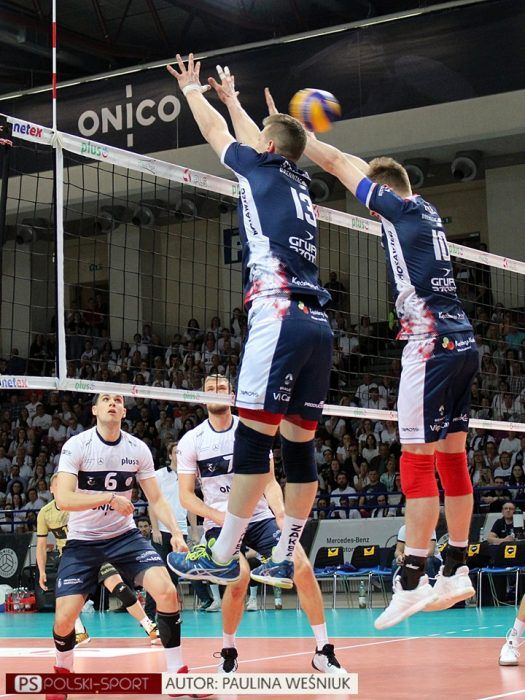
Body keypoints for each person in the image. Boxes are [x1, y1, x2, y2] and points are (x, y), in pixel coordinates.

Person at [295, 109, 479, 629]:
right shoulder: (425, 209)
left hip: (429, 344)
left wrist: (297, 134)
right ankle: (457, 568)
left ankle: (412, 579)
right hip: (463, 341)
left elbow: (336, 163)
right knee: (452, 458)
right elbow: (355, 164)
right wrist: (356, 163)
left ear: (383, 195)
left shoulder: (395, 210)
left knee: (416, 460)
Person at [166, 56, 333, 588]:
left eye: (260, 137)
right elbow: (259, 138)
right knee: (299, 447)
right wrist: (235, 99)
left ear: (267, 146)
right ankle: (285, 553)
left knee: (254, 440)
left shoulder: (260, 167)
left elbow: (218, 135)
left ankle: (221, 553)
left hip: (278, 313)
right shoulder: (298, 178)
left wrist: (194, 92)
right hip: (317, 324)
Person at [173, 374, 346, 675]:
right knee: (238, 578)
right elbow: (186, 497)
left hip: (259, 517)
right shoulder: (192, 440)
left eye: (222, 388)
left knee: (301, 566)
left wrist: (281, 513)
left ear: (232, 395)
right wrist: (218, 516)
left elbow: (268, 480)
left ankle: (323, 650)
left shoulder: (250, 430)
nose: (216, 392)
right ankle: (228, 653)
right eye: (210, 389)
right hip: (220, 521)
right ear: (202, 397)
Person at [46, 393, 193, 700]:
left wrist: (177, 533)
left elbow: (156, 498)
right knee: (64, 619)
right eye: (105, 399)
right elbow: (64, 499)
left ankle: (178, 674)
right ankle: (62, 673)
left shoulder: (137, 448)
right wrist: (109, 498)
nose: (112, 403)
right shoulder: (77, 445)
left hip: (124, 537)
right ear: (94, 409)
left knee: (167, 592)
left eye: (117, 400)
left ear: (124, 411)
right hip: (83, 541)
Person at [147, 442, 215, 614]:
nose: (179, 455)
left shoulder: (189, 477)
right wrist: (155, 528)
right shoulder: (159, 475)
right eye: (176, 452)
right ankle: (150, 612)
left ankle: (171, 608)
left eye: (181, 452)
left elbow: (191, 506)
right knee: (157, 572)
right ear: (170, 455)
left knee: (177, 571)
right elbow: (152, 503)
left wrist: (194, 531)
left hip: (181, 531)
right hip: (162, 530)